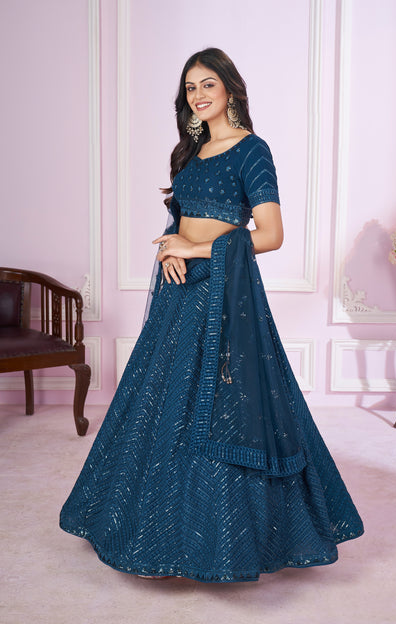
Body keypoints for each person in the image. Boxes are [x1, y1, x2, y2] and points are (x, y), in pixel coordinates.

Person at [60, 48, 363, 583]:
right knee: (159, 404)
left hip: (224, 293)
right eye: (190, 88)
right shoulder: (188, 152)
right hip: (178, 291)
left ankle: (228, 543)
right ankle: (152, 529)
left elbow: (271, 235)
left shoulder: (252, 151)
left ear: (230, 89)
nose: (198, 96)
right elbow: (179, 222)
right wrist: (169, 249)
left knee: (225, 405)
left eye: (207, 84)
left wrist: (194, 249)